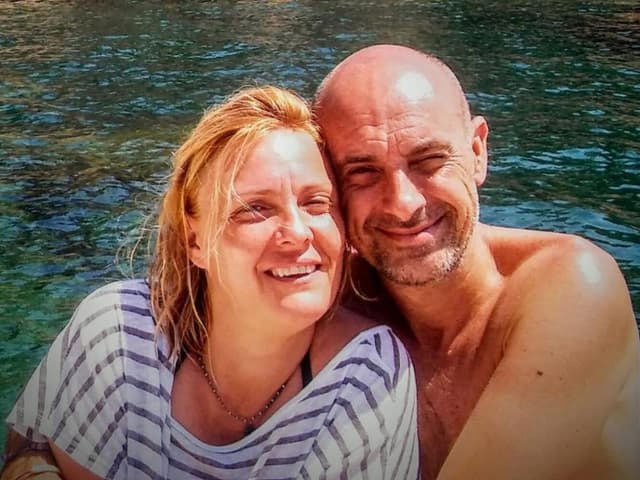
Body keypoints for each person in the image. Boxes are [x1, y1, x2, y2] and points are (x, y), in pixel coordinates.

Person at [2, 85, 419, 480]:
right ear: (195, 241)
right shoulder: (119, 333)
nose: (297, 232)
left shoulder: (366, 375)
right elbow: (29, 448)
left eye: (316, 202)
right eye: (254, 209)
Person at [313, 44, 640, 480]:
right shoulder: (330, 304)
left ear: (477, 151)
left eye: (429, 160)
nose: (403, 204)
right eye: (362, 172)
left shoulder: (573, 287)